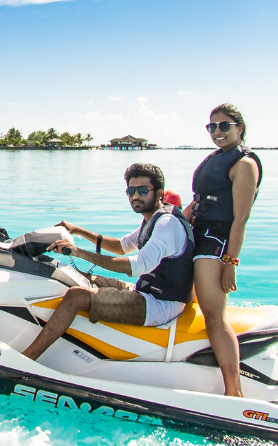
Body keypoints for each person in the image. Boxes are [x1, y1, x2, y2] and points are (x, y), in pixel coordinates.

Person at [19, 163, 193, 361]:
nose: (136, 196)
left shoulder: (166, 224)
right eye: (131, 191)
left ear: (159, 193)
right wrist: (78, 230)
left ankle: (27, 359)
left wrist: (79, 252)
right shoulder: (152, 219)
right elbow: (122, 246)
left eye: (143, 190)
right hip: (147, 292)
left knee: (76, 296)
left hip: (161, 305)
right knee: (74, 276)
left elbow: (135, 266)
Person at [184, 103, 260, 397]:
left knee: (214, 316)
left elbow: (241, 218)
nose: (217, 131)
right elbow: (197, 202)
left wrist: (231, 262)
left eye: (224, 125)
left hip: (215, 245)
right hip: (196, 236)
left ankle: (234, 391)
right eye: (212, 126)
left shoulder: (244, 164)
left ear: (239, 128)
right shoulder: (215, 158)